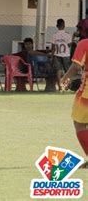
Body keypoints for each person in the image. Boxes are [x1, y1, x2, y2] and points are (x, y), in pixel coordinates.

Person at [61, 33, 88, 168]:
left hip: (86, 93)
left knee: (79, 123)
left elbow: (76, 66)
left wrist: (64, 78)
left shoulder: (84, 43)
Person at [51, 19, 72, 91]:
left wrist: (52, 56)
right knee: (67, 71)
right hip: (66, 55)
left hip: (57, 55)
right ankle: (67, 86)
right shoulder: (67, 34)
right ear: (64, 25)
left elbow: (53, 47)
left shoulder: (54, 35)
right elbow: (69, 45)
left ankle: (60, 86)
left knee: (58, 70)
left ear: (57, 26)